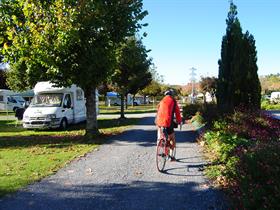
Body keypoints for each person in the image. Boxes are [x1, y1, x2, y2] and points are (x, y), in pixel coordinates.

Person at [155, 89, 182, 161]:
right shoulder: (173, 101)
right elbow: (177, 113)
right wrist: (179, 121)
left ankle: (160, 146)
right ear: (172, 95)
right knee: (172, 138)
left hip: (159, 122)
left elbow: (157, 111)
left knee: (161, 136)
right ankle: (171, 156)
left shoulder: (161, 101)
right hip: (168, 122)